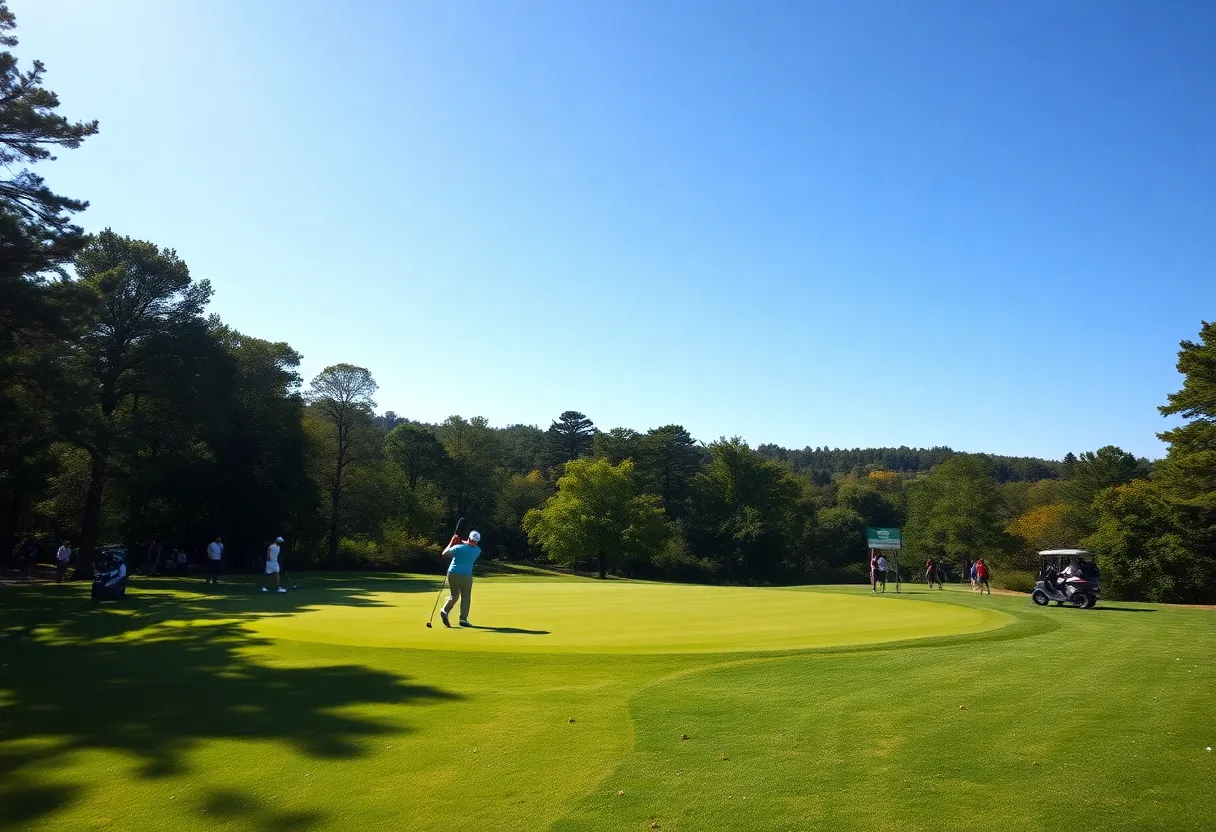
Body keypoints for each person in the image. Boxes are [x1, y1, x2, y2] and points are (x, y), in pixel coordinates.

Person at [439, 530, 482, 627]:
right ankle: (463, 619)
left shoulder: (458, 547)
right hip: (466, 575)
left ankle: (444, 610)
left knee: (454, 595)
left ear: (469, 538)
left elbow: (444, 553)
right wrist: (461, 542)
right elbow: (469, 546)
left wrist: (452, 541)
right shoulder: (477, 550)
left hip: (453, 573)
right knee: (465, 597)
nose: (475, 543)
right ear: (475, 541)